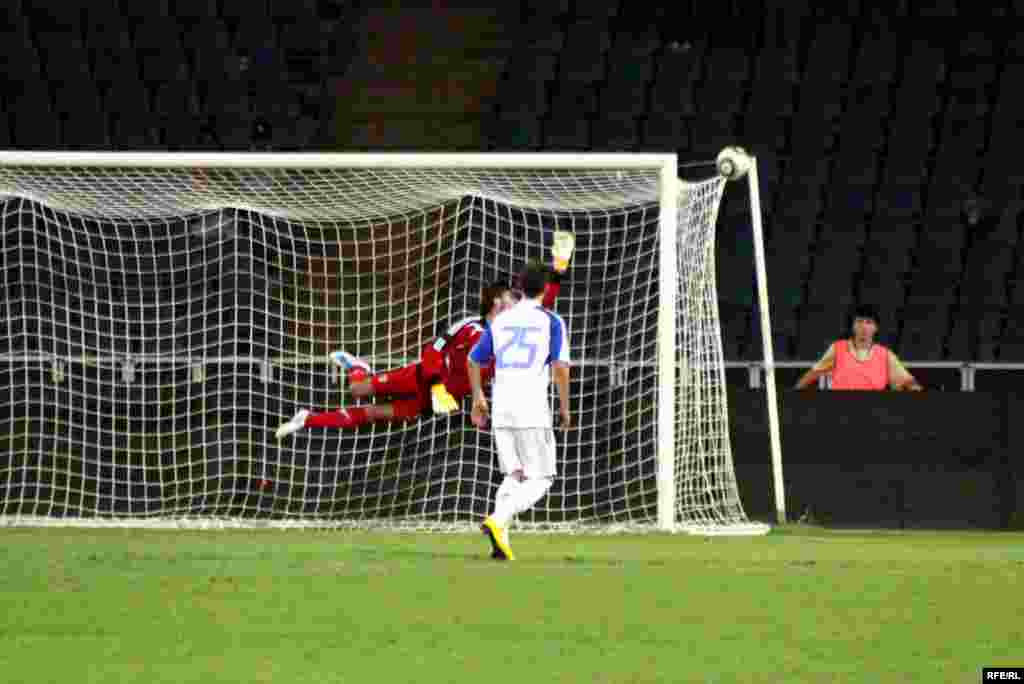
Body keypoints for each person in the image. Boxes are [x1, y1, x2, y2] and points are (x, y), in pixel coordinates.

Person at [275, 232, 575, 438]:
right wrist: (435, 384)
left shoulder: (509, 337)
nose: (517, 303)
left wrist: (560, 269)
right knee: (357, 390)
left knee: (372, 413)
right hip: (420, 378)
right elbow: (433, 350)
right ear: (496, 300)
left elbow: (542, 305)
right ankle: (358, 366)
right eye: (511, 297)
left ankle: (307, 419)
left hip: (433, 402)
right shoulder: (469, 326)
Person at [468, 260, 572, 561]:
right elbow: (560, 368)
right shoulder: (552, 321)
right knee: (542, 478)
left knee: (515, 474)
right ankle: (499, 519)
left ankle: (500, 543)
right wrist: (565, 407)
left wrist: (478, 396)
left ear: (519, 288)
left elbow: (474, 360)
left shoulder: (501, 320)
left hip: (502, 409)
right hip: (531, 409)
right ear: (545, 289)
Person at [794, 305, 923, 391]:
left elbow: (908, 381)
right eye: (859, 321)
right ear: (853, 326)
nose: (863, 327)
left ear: (875, 328)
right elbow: (813, 373)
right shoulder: (837, 348)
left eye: (869, 322)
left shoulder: (885, 355)